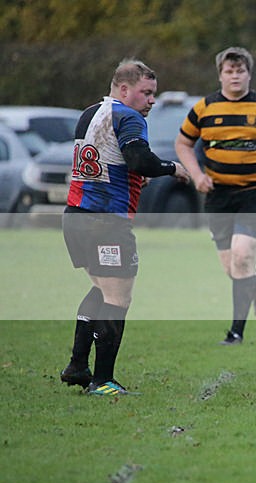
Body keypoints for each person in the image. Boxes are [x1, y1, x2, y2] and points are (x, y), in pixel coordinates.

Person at [60, 59, 190, 395]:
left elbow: (109, 162)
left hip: (75, 217)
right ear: (123, 89)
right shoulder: (128, 116)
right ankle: (103, 380)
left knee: (102, 289)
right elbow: (139, 159)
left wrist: (135, 177)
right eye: (146, 93)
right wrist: (172, 168)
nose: (151, 101)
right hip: (105, 223)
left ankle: (77, 365)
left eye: (153, 94)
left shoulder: (90, 113)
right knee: (119, 297)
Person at [175, 46, 256, 345]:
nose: (234, 76)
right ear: (220, 75)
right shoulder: (204, 109)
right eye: (229, 71)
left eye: (240, 71)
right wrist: (197, 174)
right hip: (218, 196)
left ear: (249, 74)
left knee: (243, 256)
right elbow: (182, 144)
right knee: (233, 268)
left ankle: (235, 333)